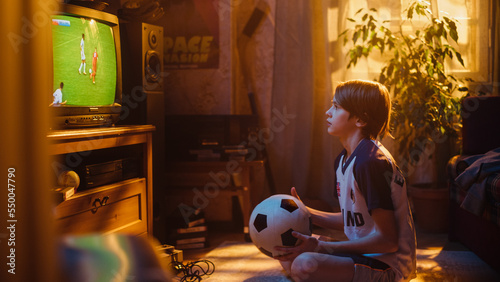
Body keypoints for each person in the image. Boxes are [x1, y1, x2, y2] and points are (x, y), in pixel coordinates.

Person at [274, 79, 416, 282]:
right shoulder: (344, 159)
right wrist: (305, 212)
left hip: (388, 265)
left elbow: (388, 241)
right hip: (364, 255)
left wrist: (322, 246)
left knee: (303, 265)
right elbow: (352, 220)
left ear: (360, 120)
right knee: (287, 252)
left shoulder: (370, 162)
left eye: (336, 107)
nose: (328, 112)